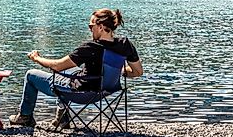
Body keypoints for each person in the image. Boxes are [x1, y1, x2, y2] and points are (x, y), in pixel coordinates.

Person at [9, 8, 143, 128]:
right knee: (69, 72)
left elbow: (57, 65)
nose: (90, 30)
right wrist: (114, 72)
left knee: (31, 75)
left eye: (91, 26)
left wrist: (36, 58)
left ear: (101, 27)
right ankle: (62, 118)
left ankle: (25, 117)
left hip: (82, 93)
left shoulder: (90, 48)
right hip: (106, 90)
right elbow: (137, 72)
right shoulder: (125, 45)